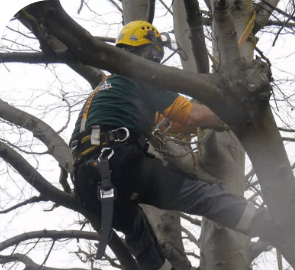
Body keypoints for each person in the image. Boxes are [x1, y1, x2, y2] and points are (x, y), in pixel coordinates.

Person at [70, 21, 271, 270]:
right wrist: (229, 114)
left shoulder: (108, 88)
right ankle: (270, 226)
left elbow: (169, 122)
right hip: (118, 163)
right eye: (156, 54)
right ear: (150, 50)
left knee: (139, 233)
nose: (157, 61)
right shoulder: (139, 73)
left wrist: (205, 124)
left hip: (85, 181)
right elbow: (189, 114)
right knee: (201, 195)